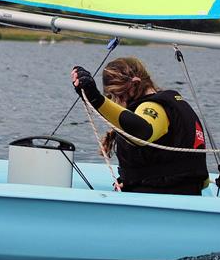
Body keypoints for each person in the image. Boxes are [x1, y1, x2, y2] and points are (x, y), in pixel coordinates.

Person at [71, 57, 209, 195]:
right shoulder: (168, 102)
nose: (113, 104)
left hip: (166, 201)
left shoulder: (153, 107)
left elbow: (142, 133)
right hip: (175, 193)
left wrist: (97, 100)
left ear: (133, 86)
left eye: (112, 97)